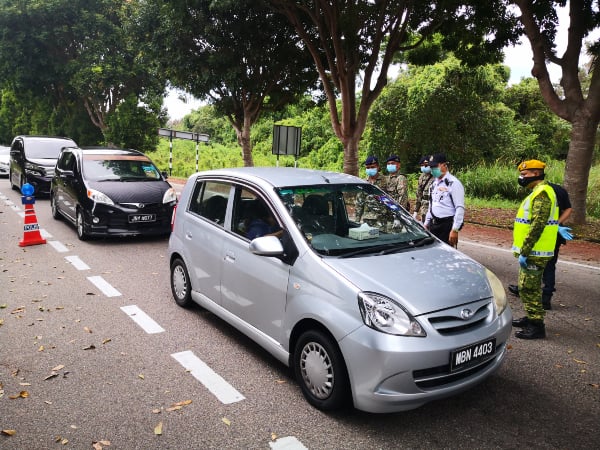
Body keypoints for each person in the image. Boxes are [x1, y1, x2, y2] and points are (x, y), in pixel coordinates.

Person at [511, 159, 560, 340]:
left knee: (528, 288)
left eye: (524, 174)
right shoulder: (537, 192)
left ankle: (537, 325)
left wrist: (525, 250)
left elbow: (538, 225)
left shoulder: (542, 193)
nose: (521, 178)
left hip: (535, 252)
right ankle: (531, 316)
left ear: (536, 174)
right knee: (527, 287)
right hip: (533, 251)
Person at [508, 182, 573, 309]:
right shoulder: (556, 190)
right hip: (551, 234)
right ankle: (536, 292)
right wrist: (557, 225)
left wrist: (556, 225)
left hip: (543, 237)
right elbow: (568, 209)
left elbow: (538, 222)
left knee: (540, 265)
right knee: (546, 265)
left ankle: (541, 296)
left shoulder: (542, 192)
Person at [423, 153, 465, 247]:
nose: (433, 169)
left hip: (446, 226)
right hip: (434, 225)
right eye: (431, 167)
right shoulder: (434, 184)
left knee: (446, 255)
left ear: (444, 165)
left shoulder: (453, 183)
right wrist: (426, 223)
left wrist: (455, 230)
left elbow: (460, 208)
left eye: (435, 166)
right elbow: (432, 205)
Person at [355, 155, 391, 225]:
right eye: (368, 168)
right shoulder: (363, 182)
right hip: (367, 219)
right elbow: (359, 202)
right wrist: (357, 221)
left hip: (382, 220)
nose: (370, 169)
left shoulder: (386, 181)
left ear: (378, 167)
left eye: (372, 167)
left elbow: (391, 200)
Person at [413, 155, 433, 223]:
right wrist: (415, 212)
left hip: (432, 208)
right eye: (422, 165)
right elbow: (419, 195)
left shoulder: (436, 176)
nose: (424, 167)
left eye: (426, 165)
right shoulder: (421, 177)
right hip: (424, 208)